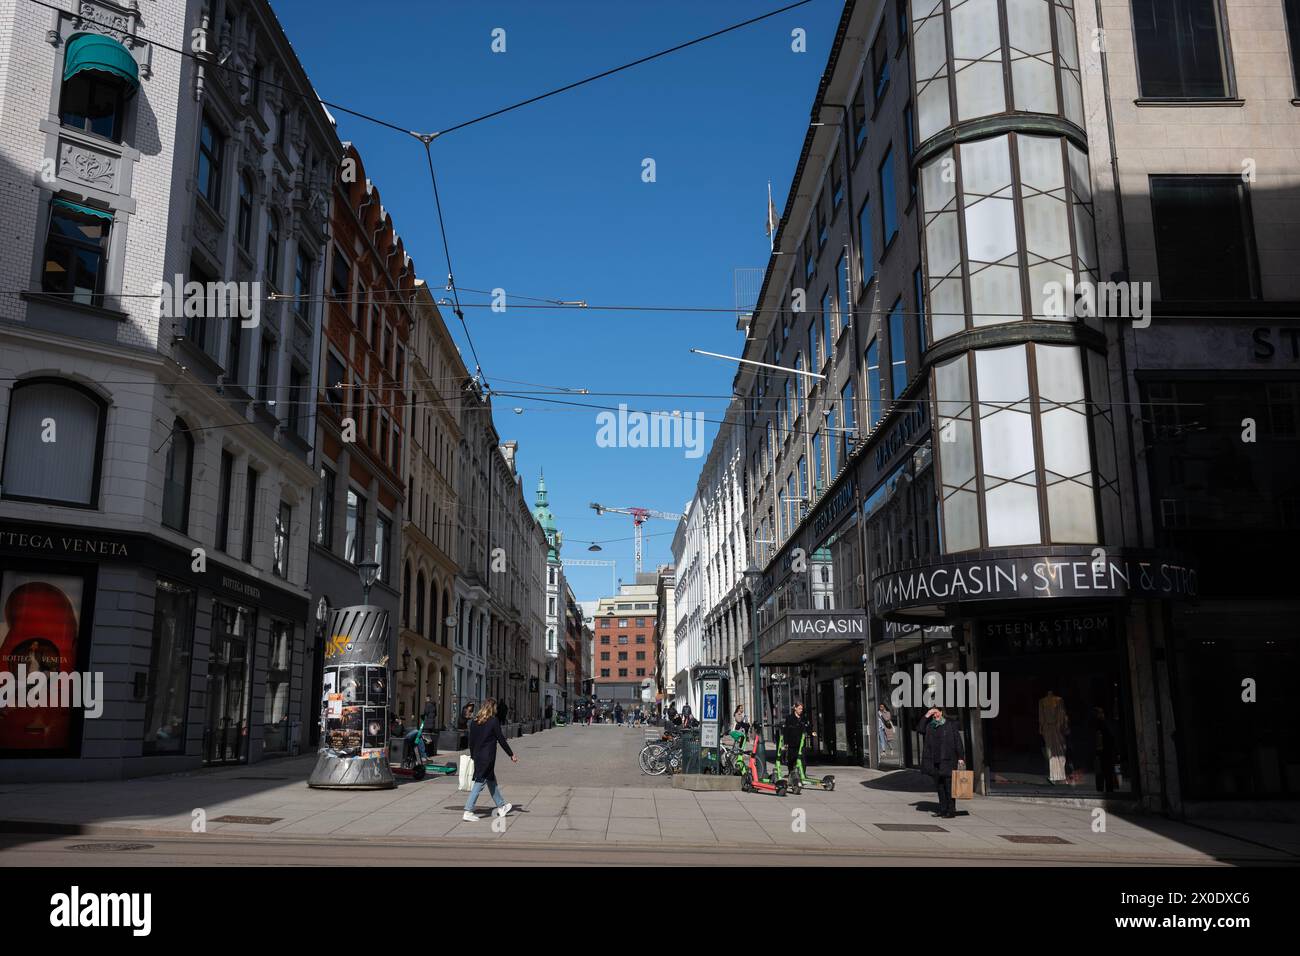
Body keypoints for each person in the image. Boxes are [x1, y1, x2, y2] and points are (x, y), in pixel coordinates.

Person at [462, 698, 517, 822]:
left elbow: (471, 741)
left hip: (478, 756)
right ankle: (468, 810)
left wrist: (473, 755)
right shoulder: (493, 721)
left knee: (491, 781)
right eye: (495, 707)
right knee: (479, 783)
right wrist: (511, 754)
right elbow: (501, 739)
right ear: (492, 708)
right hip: (487, 758)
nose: (496, 710)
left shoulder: (474, 722)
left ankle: (501, 806)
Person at [917, 706, 965, 819]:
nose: (935, 715)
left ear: (941, 712)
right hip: (935, 761)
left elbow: (957, 740)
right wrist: (927, 715)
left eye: (936, 712)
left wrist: (961, 757)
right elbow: (919, 729)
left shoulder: (950, 725)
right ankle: (943, 809)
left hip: (948, 760)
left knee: (949, 786)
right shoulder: (930, 726)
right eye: (933, 713)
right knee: (939, 786)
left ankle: (951, 810)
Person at [782, 702, 813, 777]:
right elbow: (786, 731)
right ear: (795, 708)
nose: (801, 710)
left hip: (801, 742)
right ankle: (790, 773)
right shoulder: (789, 718)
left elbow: (807, 727)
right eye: (799, 708)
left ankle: (803, 774)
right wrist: (785, 742)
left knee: (802, 759)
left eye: (802, 709)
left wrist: (811, 732)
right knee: (791, 759)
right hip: (792, 742)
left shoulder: (804, 718)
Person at [1092, 706, 1118, 793]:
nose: (1102, 715)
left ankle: (1104, 790)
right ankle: (1106, 790)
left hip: (1103, 753)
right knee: (1105, 773)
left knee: (1103, 773)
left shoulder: (1102, 724)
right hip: (1103, 753)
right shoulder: (1101, 725)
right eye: (1100, 713)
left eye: (1102, 713)